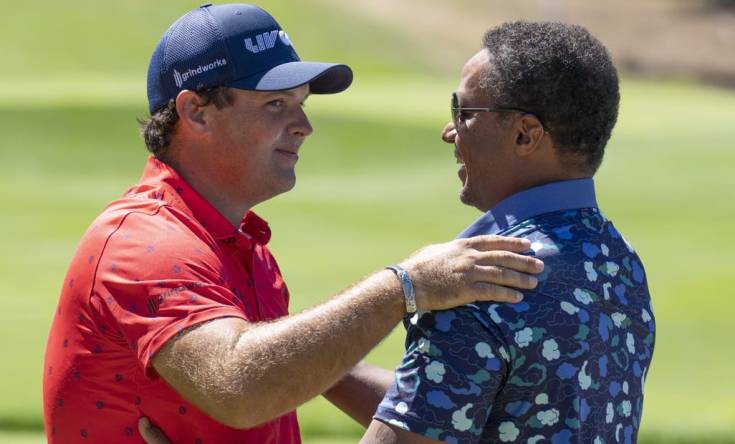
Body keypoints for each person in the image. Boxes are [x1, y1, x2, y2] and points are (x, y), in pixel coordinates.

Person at [41, 5, 545, 444]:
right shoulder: (145, 243)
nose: (304, 125)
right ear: (195, 111)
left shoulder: (245, 249)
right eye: (275, 104)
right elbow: (241, 388)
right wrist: (405, 285)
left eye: (301, 103)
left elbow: (271, 380)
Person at [363, 22, 656, 443]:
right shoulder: (621, 261)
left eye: (463, 113)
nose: (450, 132)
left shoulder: (479, 282)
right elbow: (448, 413)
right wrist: (319, 364)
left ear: (525, 134)